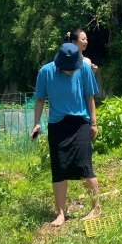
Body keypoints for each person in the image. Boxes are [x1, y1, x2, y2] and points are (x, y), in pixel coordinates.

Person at [31, 41, 100, 227]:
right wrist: (36, 123)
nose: (72, 71)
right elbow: (39, 100)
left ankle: (95, 207)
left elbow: (90, 97)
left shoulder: (84, 69)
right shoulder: (45, 72)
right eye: (68, 69)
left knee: (85, 166)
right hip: (57, 125)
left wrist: (93, 122)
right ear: (59, 64)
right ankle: (60, 213)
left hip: (80, 123)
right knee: (59, 169)